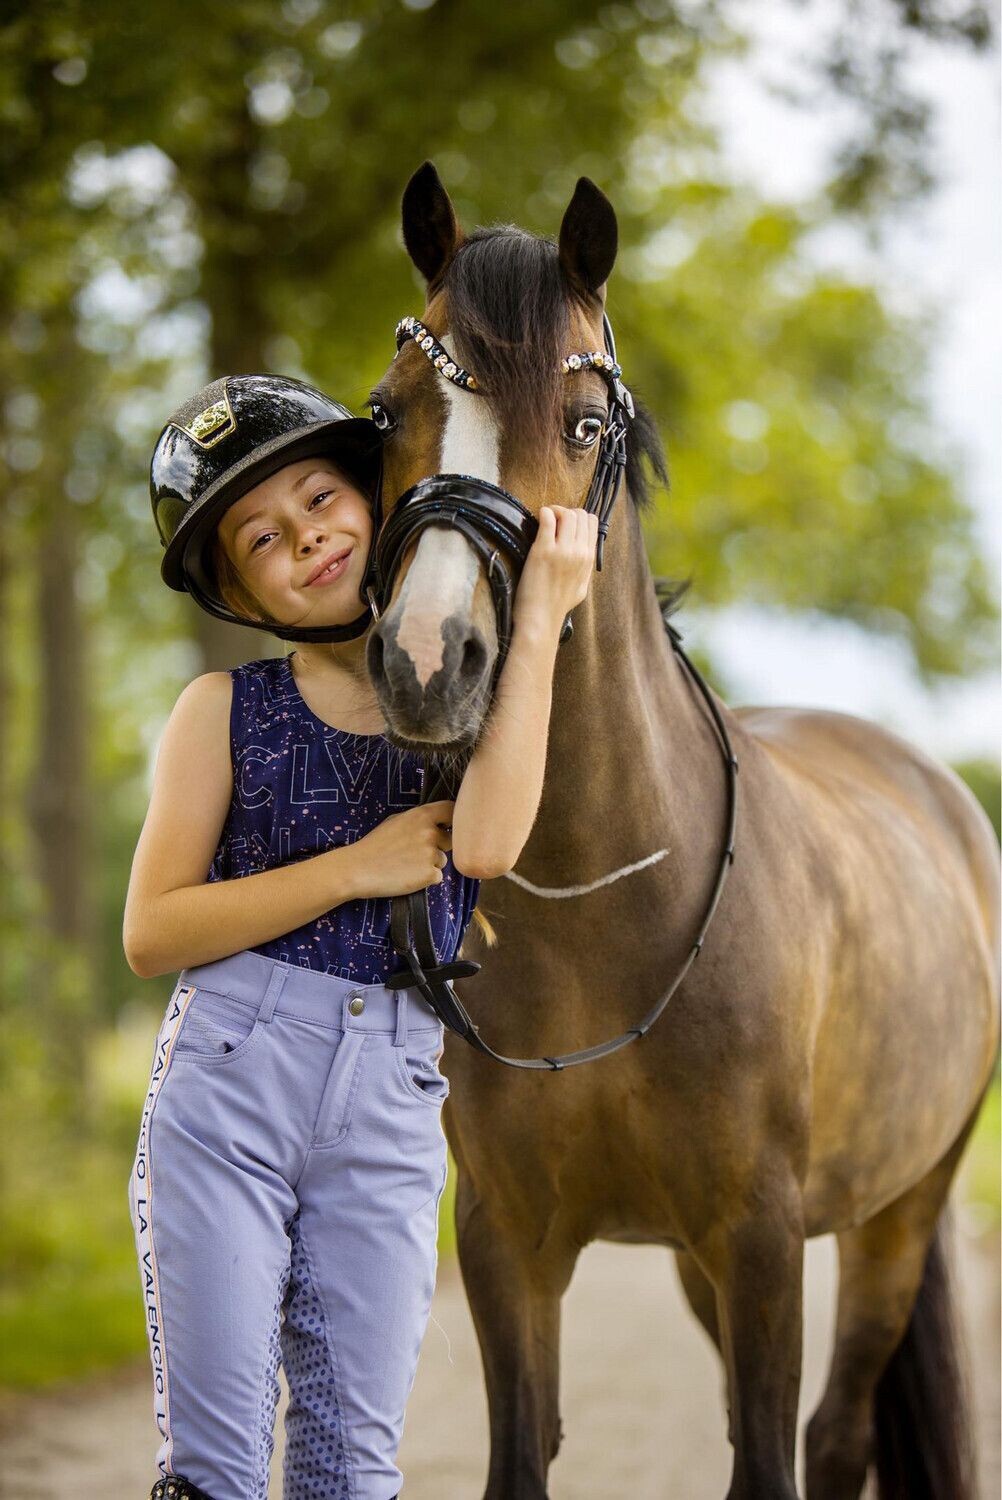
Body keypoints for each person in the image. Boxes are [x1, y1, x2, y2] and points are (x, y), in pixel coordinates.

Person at [124, 372, 598, 1500]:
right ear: (239, 589)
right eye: (263, 537)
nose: (307, 537)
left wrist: (540, 618)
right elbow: (153, 930)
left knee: (352, 1466)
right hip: (229, 1087)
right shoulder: (223, 712)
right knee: (217, 1465)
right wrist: (352, 868)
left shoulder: (458, 701)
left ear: (379, 499)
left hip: (388, 1099)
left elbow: (482, 844)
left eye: (320, 498)